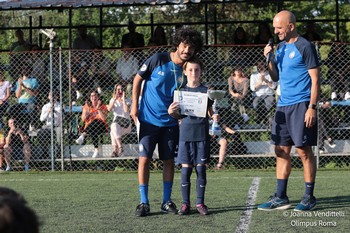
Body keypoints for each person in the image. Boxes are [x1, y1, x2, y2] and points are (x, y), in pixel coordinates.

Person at [130, 28, 203, 217]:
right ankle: (143, 202)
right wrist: (134, 106)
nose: (187, 50)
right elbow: (137, 79)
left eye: (191, 47)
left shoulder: (188, 69)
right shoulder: (158, 59)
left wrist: (179, 116)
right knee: (144, 159)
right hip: (148, 119)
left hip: (170, 123)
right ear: (177, 44)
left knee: (168, 161)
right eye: (184, 45)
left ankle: (166, 201)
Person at [258, 10, 320, 211]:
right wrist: (269, 58)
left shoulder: (305, 46)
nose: (275, 32)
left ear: (291, 26)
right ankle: (280, 196)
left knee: (303, 151)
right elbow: (275, 77)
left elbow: (315, 79)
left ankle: (309, 197)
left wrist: (312, 107)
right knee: (281, 150)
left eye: (279, 28)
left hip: (302, 104)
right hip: (283, 105)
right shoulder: (280, 48)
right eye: (275, 28)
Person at [168, 57, 213, 215]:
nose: (194, 72)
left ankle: (200, 203)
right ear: (185, 72)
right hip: (185, 135)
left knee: (201, 170)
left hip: (201, 135)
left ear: (201, 72)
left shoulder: (206, 91)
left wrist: (215, 116)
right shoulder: (180, 91)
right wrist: (171, 112)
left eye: (197, 70)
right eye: (191, 70)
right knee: (186, 170)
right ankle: (185, 204)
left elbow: (211, 112)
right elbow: (176, 116)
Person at [75, 90, 108, 158]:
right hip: (91, 128)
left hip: (101, 126)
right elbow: (83, 119)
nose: (94, 97)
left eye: (95, 95)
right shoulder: (87, 106)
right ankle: (96, 150)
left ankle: (83, 135)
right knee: (93, 129)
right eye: (92, 96)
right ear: (90, 98)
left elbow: (104, 118)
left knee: (95, 121)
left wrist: (98, 108)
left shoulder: (103, 106)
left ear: (98, 97)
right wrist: (88, 111)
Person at [8, 66, 39, 131]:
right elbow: (17, 96)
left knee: (32, 109)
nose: (25, 70)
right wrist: (19, 85)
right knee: (10, 110)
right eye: (23, 69)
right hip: (21, 103)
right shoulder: (18, 82)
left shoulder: (33, 80)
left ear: (29, 70)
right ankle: (15, 125)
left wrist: (23, 86)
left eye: (26, 69)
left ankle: (32, 125)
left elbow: (35, 94)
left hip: (30, 102)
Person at [107, 84, 132, 157]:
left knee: (113, 128)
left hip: (126, 124)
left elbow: (126, 110)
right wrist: (115, 99)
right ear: (115, 91)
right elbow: (109, 109)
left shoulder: (128, 100)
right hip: (117, 125)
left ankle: (116, 149)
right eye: (118, 89)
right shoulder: (113, 100)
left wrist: (123, 100)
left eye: (121, 89)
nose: (120, 91)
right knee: (113, 129)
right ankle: (117, 149)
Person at [38, 92, 62, 158]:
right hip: (48, 126)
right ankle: (44, 152)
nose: (52, 97)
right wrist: (48, 112)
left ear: (57, 97)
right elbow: (41, 119)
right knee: (41, 132)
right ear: (48, 97)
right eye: (51, 95)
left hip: (57, 125)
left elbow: (63, 117)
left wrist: (55, 112)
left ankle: (59, 152)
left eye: (54, 95)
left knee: (60, 133)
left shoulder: (60, 105)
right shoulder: (45, 106)